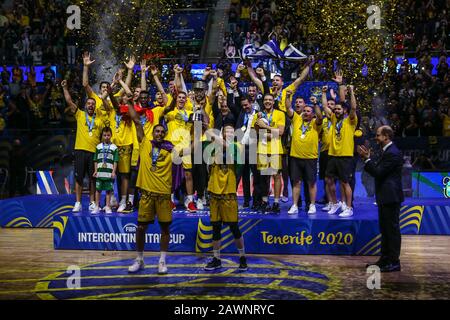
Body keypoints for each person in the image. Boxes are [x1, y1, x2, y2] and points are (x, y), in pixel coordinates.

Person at [127, 102, 184, 275]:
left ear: (165, 134)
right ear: (152, 133)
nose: (159, 133)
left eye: (162, 132)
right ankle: (140, 259)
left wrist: (199, 130)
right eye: (156, 131)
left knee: (165, 229)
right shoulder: (145, 143)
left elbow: (189, 151)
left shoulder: (170, 149)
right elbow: (136, 121)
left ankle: (162, 260)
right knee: (141, 228)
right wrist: (128, 101)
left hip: (164, 195)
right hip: (147, 194)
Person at [357, 126, 404, 272]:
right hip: (385, 196)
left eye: (378, 135)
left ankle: (394, 262)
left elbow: (378, 173)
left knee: (392, 230)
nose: (376, 138)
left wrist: (367, 160)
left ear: (386, 136)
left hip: (391, 197)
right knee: (385, 230)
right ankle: (384, 260)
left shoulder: (393, 153)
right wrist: (368, 160)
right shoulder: (387, 151)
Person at [203, 124, 247, 271]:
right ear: (221, 133)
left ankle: (242, 257)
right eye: (225, 131)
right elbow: (209, 135)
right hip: (215, 194)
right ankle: (216, 259)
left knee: (234, 227)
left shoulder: (236, 148)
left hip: (228, 195)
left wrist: (214, 134)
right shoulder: (212, 149)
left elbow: (226, 146)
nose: (228, 133)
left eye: (230, 131)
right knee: (215, 228)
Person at [62, 80, 105, 212]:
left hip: (94, 153)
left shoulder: (100, 120)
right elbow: (69, 102)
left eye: (93, 104)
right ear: (85, 105)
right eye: (89, 103)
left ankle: (92, 202)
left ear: (95, 106)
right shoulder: (80, 115)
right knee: (78, 178)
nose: (91, 106)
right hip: (80, 151)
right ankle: (78, 202)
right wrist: (64, 88)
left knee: (93, 178)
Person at [322, 85, 358, 217]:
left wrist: (352, 91)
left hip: (345, 156)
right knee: (328, 179)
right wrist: (324, 93)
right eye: (335, 109)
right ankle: (335, 202)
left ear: (344, 111)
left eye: (339, 109)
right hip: (332, 154)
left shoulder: (350, 121)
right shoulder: (333, 119)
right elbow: (325, 106)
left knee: (344, 182)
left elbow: (353, 107)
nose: (336, 111)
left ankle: (348, 207)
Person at [286, 93, 323, 215]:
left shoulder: (315, 123)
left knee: (311, 183)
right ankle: (295, 205)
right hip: (296, 157)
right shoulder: (297, 119)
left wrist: (315, 104)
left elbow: (320, 116)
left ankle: (312, 205)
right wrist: (287, 97)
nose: (306, 112)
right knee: (296, 182)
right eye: (305, 111)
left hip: (310, 158)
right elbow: (288, 108)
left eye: (309, 111)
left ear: (312, 114)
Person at [252, 93, 285, 213]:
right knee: (264, 177)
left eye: (270, 100)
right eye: (266, 100)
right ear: (263, 101)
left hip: (276, 150)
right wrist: (260, 124)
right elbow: (255, 132)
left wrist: (265, 127)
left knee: (276, 176)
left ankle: (276, 202)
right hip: (262, 149)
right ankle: (265, 201)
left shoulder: (280, 114)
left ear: (273, 101)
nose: (268, 102)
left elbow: (280, 132)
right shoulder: (258, 115)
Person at [92, 127, 119, 214]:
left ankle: (107, 206)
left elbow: (115, 161)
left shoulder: (114, 147)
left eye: (108, 135)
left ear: (111, 135)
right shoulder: (98, 147)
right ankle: (96, 206)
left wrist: (114, 172)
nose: (106, 137)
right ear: (102, 136)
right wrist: (95, 170)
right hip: (100, 173)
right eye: (104, 135)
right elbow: (95, 160)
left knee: (108, 191)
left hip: (108, 173)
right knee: (98, 190)